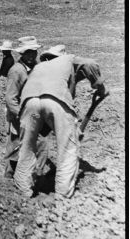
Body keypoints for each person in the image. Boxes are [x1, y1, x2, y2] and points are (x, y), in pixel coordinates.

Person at [13, 45, 108, 199]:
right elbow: (90, 64)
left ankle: (23, 191)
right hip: (55, 101)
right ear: (61, 55)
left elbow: (41, 110)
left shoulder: (40, 66)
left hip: (30, 103)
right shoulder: (68, 59)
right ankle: (63, 198)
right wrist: (100, 86)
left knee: (27, 147)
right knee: (68, 149)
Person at [4, 36, 48, 179]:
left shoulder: (35, 67)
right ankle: (20, 177)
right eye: (27, 53)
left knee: (24, 143)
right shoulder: (17, 71)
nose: (31, 55)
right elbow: (10, 99)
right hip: (20, 114)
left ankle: (18, 175)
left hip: (33, 112)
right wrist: (22, 116)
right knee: (31, 143)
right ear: (22, 54)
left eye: (33, 52)